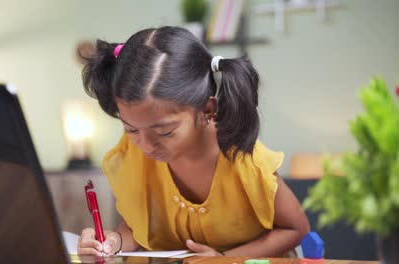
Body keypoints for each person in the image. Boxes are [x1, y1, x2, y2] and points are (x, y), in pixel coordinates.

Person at [77, 26, 310, 257]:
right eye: (131, 129)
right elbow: (136, 228)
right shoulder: (131, 154)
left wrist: (225, 260)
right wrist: (113, 241)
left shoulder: (243, 157)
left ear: (207, 109)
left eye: (165, 131)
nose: (146, 145)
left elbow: (295, 228)